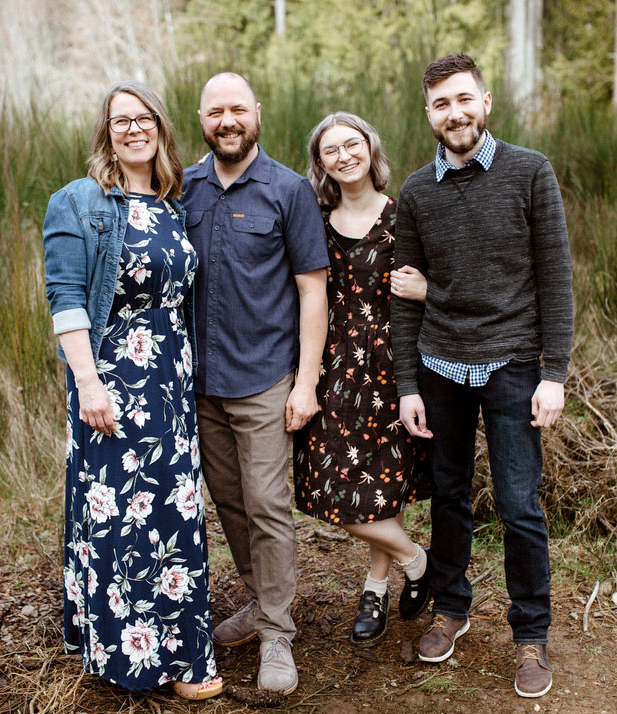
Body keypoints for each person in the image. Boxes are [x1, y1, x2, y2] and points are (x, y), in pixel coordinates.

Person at [391, 54, 573, 699]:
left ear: (485, 102)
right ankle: (452, 608)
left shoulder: (530, 171)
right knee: (449, 497)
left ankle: (530, 635)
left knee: (521, 506)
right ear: (429, 114)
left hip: (514, 367)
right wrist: (408, 384)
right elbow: (401, 295)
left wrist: (555, 373)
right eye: (441, 104)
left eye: (463, 100)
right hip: (440, 368)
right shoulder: (415, 192)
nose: (454, 114)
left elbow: (555, 276)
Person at [42, 80, 221, 700]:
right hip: (112, 383)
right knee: (118, 516)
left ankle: (184, 655)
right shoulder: (80, 202)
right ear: (106, 132)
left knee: (174, 514)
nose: (134, 129)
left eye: (144, 119)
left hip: (170, 387)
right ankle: (129, 658)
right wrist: (88, 383)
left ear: (162, 128)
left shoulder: (175, 205)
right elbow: (65, 300)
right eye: (121, 121)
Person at [180, 72, 329, 696]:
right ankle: (259, 600)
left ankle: (276, 635)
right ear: (201, 119)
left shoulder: (289, 189)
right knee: (230, 502)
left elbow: (312, 288)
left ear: (257, 114)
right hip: (200, 381)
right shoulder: (180, 187)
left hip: (267, 375)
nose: (228, 121)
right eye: (216, 112)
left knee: (268, 504)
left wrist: (307, 383)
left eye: (238, 109)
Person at [293, 112, 433, 647]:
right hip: (331, 365)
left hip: (395, 365)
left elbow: (431, 284)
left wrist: (428, 287)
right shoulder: (314, 219)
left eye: (352, 144)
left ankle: (375, 586)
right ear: (320, 163)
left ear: (370, 149)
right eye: (331, 150)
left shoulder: (405, 216)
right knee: (325, 487)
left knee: (382, 485)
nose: (343, 155)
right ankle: (417, 560)